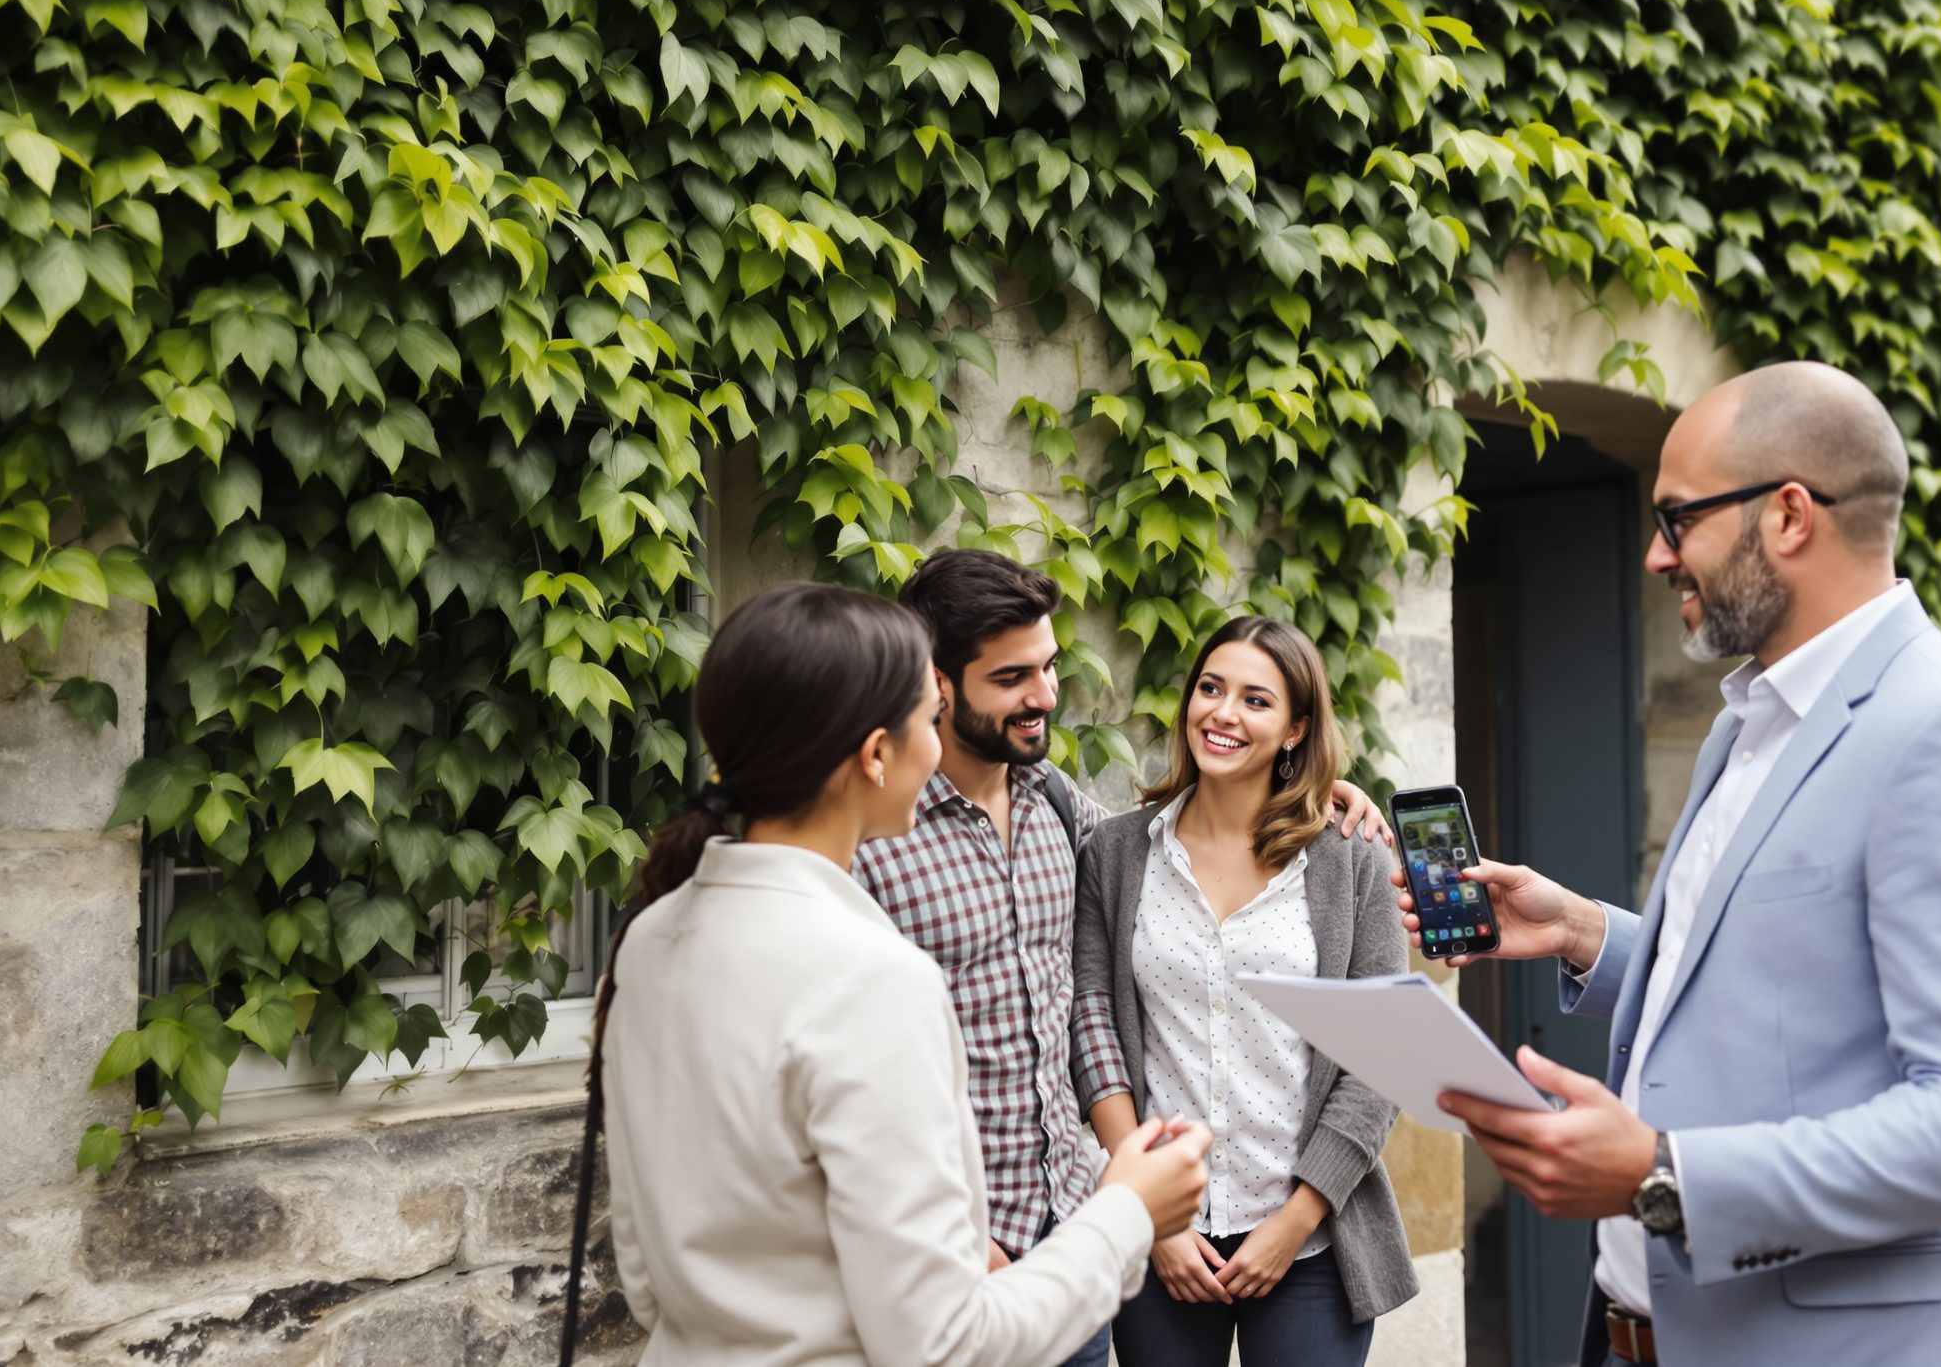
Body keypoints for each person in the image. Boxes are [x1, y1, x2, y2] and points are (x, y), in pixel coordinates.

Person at [1410, 363, 1941, 1367]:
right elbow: (1793, 993)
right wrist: (1585, 933)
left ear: (1789, 516)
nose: (1652, 555)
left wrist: (1661, 1173)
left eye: (1675, 520)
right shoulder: (1749, 722)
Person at [584, 583, 1212, 1365]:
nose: (936, 736)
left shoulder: (648, 938)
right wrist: (1130, 1209)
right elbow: (944, 1343)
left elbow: (647, 1278)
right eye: (925, 714)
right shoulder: (874, 976)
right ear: (876, 753)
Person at [851, 551, 1389, 1367]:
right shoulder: (876, 835)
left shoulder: (1059, 807)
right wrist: (969, 1232)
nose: (1044, 695)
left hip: (1082, 1242)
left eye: (1050, 667)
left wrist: (1328, 791)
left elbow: (1378, 1055)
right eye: (1014, 677)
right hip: (968, 1252)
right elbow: (853, 1073)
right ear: (937, 683)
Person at [1076, 615, 1419, 1366]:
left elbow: (1384, 1055)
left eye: (1255, 700)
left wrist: (1296, 1219)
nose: (1223, 713)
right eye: (1210, 688)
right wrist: (1152, 1217)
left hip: (1309, 1241)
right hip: (1161, 1233)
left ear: (1296, 727)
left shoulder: (1351, 859)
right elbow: (1090, 1021)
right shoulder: (1118, 852)